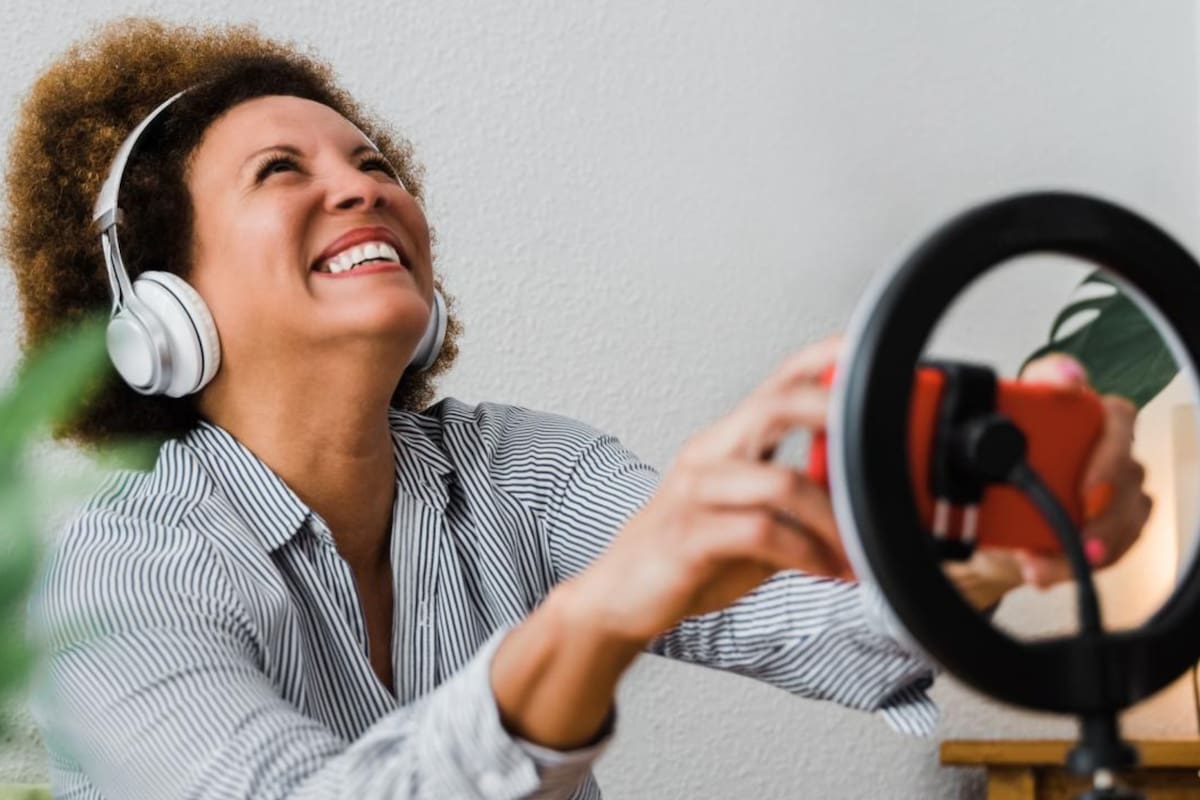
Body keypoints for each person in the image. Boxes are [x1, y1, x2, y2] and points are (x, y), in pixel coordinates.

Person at [0, 18, 1150, 800]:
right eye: (280, 171)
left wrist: (995, 529)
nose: (363, 185)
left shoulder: (521, 470)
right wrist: (594, 618)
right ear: (161, 309)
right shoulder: (111, 574)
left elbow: (812, 612)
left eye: (370, 160)